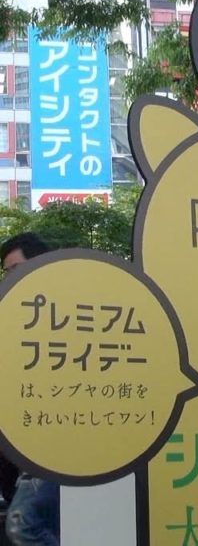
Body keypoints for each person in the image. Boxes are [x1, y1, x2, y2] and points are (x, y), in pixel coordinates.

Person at [1, 233, 61, 545]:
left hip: (52, 444)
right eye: (6, 272)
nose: (8, 279)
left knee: (23, 525)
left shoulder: (66, 313)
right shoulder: (12, 316)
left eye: (15, 269)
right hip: (19, 445)